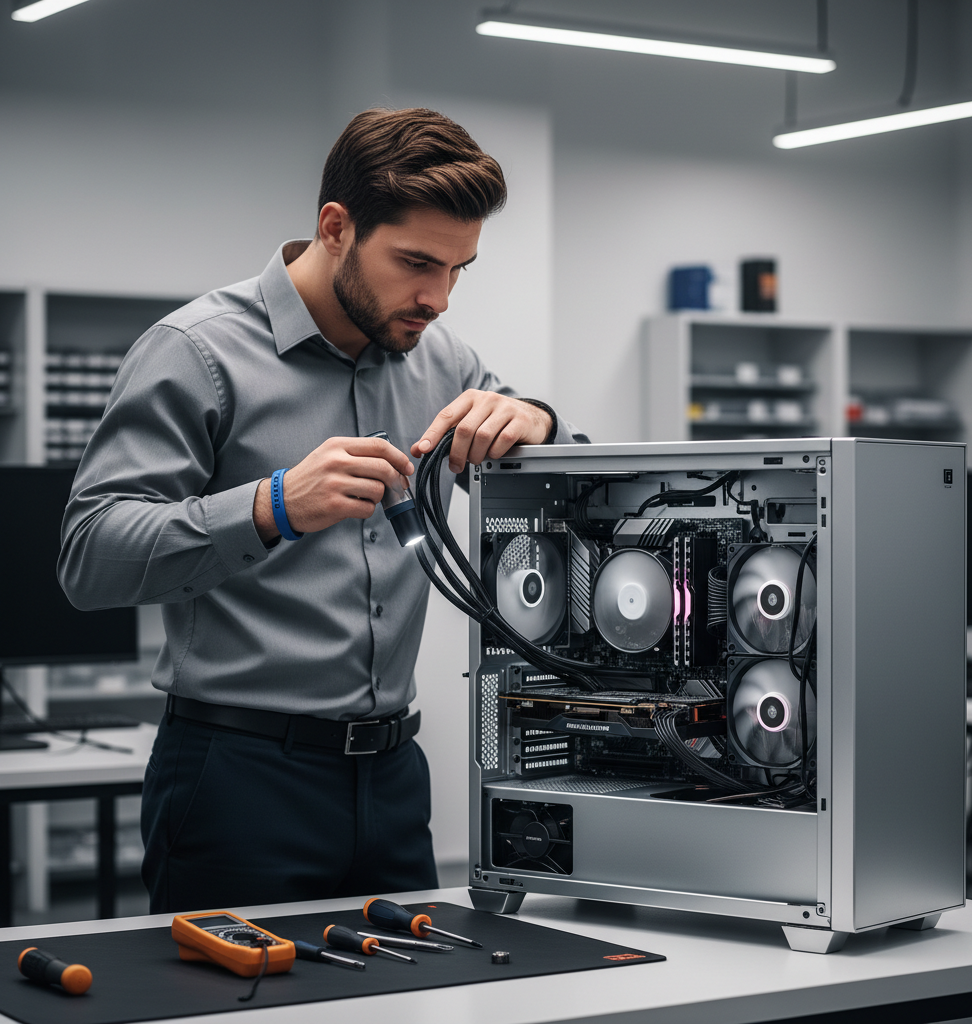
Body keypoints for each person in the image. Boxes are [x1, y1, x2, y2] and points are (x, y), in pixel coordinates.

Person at [58, 108, 585, 913]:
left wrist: (540, 422)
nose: (438, 298)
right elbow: (89, 558)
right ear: (335, 227)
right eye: (415, 262)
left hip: (395, 778)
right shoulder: (197, 353)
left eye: (458, 270)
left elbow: (565, 477)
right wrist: (272, 507)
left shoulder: (444, 361)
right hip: (237, 776)